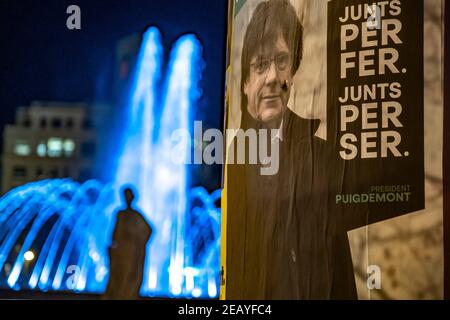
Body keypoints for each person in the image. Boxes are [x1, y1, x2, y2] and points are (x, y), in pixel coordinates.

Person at [226, 0, 360, 299]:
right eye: (261, 65)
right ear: (246, 82)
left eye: (282, 61)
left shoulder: (322, 154)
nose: (273, 77)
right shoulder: (234, 157)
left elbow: (340, 264)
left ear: (293, 71)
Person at [104, 186, 152, 300]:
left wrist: (138, 241)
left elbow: (149, 230)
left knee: (129, 273)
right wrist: (112, 244)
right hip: (120, 248)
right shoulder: (120, 213)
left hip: (131, 249)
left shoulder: (136, 215)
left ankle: (127, 295)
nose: (127, 198)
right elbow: (114, 231)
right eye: (125, 196)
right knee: (117, 273)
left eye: (129, 196)